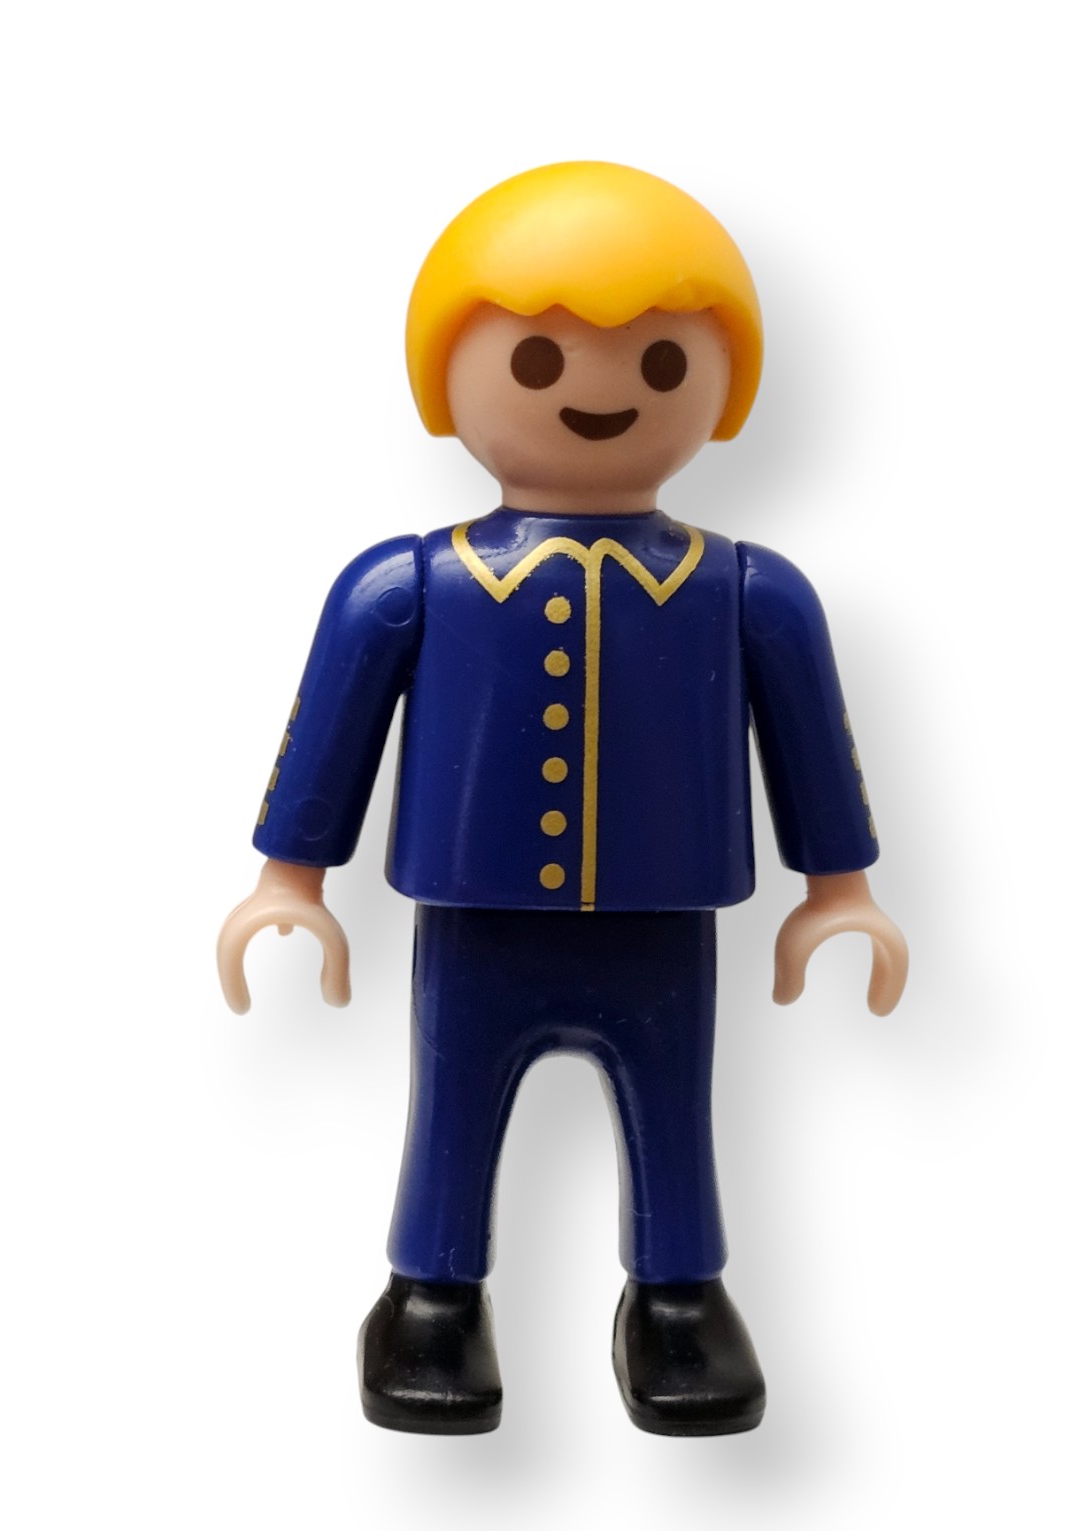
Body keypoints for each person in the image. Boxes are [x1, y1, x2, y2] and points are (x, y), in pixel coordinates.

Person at [217, 161, 908, 1436]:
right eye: (536, 361)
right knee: (449, 1102)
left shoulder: (746, 591)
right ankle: (430, 1294)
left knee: (673, 1107)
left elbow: (811, 741)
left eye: (661, 361)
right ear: (448, 380)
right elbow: (333, 734)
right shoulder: (409, 585)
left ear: (723, 385)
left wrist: (840, 889)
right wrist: (287, 879)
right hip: (474, 916)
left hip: (662, 919)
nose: (598, 391)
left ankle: (679, 1294)